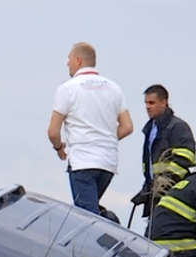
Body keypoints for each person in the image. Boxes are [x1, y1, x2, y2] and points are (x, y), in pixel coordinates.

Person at [48, 42, 133, 216]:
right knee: (92, 210)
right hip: (108, 162)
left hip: (82, 161)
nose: (67, 63)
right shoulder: (114, 88)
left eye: (69, 58)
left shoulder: (68, 89)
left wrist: (58, 148)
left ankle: (110, 227)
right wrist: (106, 137)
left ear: (78, 60)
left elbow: (53, 132)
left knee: (87, 218)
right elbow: (127, 126)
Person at [130, 84, 196, 236]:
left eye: (151, 103)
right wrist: (147, 189)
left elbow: (186, 160)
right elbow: (150, 166)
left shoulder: (178, 127)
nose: (147, 107)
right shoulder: (150, 129)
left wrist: (164, 183)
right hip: (156, 196)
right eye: (146, 103)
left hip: (173, 195)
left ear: (164, 102)